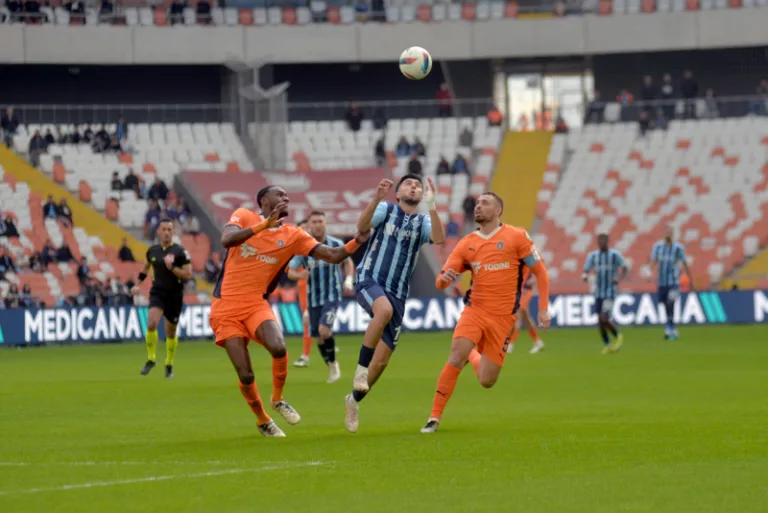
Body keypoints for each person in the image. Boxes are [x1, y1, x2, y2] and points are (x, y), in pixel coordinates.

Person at [210, 185, 370, 437]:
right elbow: (227, 240)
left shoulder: (294, 235)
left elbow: (333, 255)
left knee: (279, 346)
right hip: (225, 307)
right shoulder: (243, 215)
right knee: (245, 372)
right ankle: (263, 420)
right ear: (264, 200)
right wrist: (265, 226)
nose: (286, 198)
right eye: (280, 195)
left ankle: (277, 399)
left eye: (287, 196)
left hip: (255, 304)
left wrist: (355, 242)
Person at [420, 192, 550, 434]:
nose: (478, 206)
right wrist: (443, 279)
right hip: (475, 311)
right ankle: (434, 417)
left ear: (498, 210)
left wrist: (542, 309)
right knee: (456, 355)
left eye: (485, 203)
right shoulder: (466, 243)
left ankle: (473, 354)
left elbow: (541, 273)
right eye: (477, 203)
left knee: (487, 381)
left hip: (503, 319)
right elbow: (441, 280)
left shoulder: (517, 236)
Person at [344, 175, 445, 433]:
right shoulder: (386, 210)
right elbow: (362, 225)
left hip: (399, 293)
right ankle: (360, 370)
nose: (415, 186)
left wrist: (432, 206)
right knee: (383, 310)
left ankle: (353, 400)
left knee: (382, 362)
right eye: (409, 184)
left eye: (418, 186)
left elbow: (439, 238)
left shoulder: (423, 220)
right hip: (370, 278)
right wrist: (377, 197)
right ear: (397, 193)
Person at [287, 211, 355, 383]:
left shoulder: (336, 244)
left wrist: (348, 279)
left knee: (325, 331)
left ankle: (333, 365)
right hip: (313, 298)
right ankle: (330, 365)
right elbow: (291, 271)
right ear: (309, 225)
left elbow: (348, 262)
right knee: (318, 337)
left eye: (320, 221)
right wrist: (300, 275)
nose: (317, 225)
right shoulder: (304, 248)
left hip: (332, 294)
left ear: (325, 223)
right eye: (314, 222)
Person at [132, 219, 193, 379]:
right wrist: (137, 284)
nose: (166, 232)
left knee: (170, 333)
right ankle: (151, 359)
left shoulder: (180, 252)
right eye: (164, 229)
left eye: (169, 230)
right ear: (158, 231)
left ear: (172, 232)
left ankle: (169, 364)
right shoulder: (152, 251)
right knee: (151, 323)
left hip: (175, 295)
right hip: (157, 293)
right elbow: (145, 268)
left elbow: (188, 274)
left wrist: (172, 268)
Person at [582, 234, 628, 354]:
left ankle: (618, 335)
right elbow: (586, 270)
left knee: (604, 317)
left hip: (610, 292)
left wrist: (619, 278)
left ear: (607, 241)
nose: (601, 242)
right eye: (599, 240)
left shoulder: (614, 255)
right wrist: (585, 276)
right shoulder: (593, 256)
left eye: (603, 240)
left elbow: (625, 268)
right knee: (600, 320)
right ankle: (607, 344)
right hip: (598, 292)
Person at [650, 226, 694, 341]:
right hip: (662, 282)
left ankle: (669, 328)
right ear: (664, 234)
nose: (668, 235)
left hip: (673, 282)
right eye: (667, 233)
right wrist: (650, 269)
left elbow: (684, 262)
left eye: (670, 233)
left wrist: (690, 278)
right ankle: (672, 327)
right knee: (665, 304)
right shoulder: (658, 247)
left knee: (671, 302)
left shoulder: (678, 248)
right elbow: (654, 261)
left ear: (673, 234)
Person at [288, 219, 313, 367]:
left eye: (305, 228)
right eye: (301, 229)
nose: (303, 231)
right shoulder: (295, 248)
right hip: (302, 288)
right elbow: (288, 270)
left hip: (312, 288)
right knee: (309, 321)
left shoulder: (314, 246)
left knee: (307, 321)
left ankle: (305, 356)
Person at [509, 268, 545, 354]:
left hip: (526, 291)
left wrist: (534, 279)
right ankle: (538, 342)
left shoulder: (528, 257)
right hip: (518, 291)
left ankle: (510, 344)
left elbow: (539, 268)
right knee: (526, 317)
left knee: (519, 315)